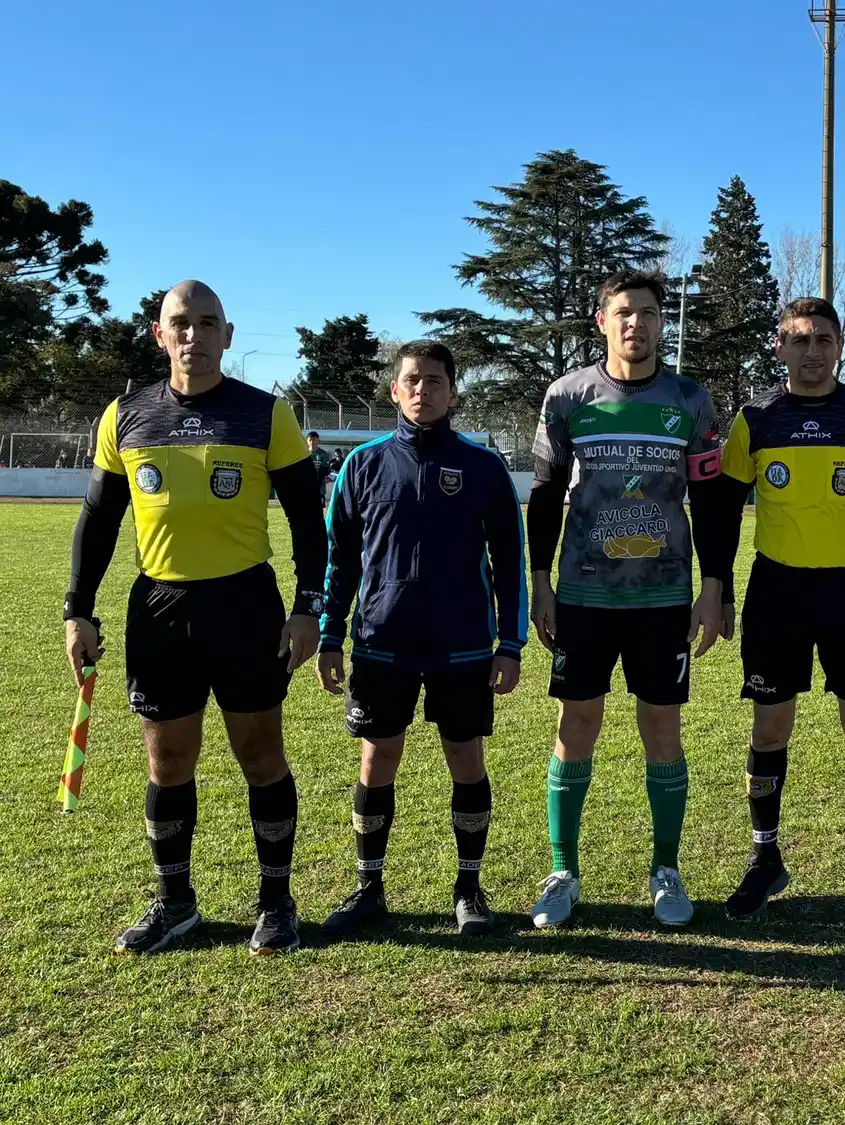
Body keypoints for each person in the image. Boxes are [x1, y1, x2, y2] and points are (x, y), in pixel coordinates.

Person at [64, 280, 327, 955]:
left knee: (261, 755)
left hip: (245, 605)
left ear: (228, 336)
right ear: (160, 334)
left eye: (208, 324)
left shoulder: (267, 414)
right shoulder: (125, 416)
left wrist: (307, 608)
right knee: (168, 759)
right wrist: (78, 610)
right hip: (160, 608)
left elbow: (307, 518)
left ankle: (276, 903)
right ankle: (175, 903)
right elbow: (98, 521)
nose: (194, 335)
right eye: (180, 323)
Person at [527, 270, 729, 929]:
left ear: (662, 323)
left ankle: (665, 869)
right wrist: (539, 579)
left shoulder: (691, 401)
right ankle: (563, 869)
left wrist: (713, 587)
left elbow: (714, 500)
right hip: (583, 597)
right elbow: (544, 496)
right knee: (575, 726)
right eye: (623, 313)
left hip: (664, 598)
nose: (635, 324)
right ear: (601, 320)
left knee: (661, 732)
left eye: (647, 313)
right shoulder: (567, 396)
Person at [316, 341, 527, 939]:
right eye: (412, 380)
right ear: (394, 390)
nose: (423, 390)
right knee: (377, 758)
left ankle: (469, 887)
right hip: (381, 642)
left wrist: (509, 645)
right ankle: (368, 887)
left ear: (453, 392)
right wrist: (331, 635)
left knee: (466, 759)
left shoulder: (484, 468)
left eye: (435, 381)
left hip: (463, 647)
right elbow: (341, 560)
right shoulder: (361, 465)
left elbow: (510, 562)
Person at [717, 297, 845, 923]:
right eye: (799, 340)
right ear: (780, 347)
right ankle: (764, 857)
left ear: (839, 345)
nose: (811, 351)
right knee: (770, 729)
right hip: (776, 593)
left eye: (822, 339)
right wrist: (717, 590)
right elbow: (720, 513)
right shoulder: (756, 419)